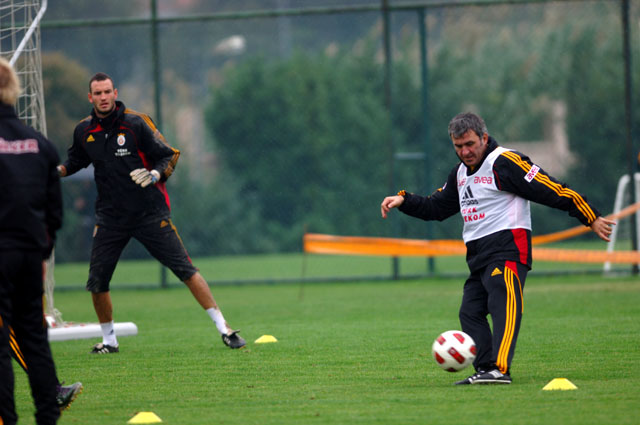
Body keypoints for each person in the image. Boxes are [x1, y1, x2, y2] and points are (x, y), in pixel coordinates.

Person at [380, 112, 614, 385]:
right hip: (478, 256)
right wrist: (404, 200)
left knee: (502, 301)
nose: (465, 152)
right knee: (470, 311)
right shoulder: (459, 174)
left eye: (470, 144)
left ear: (484, 137)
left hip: (508, 249)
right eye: (458, 146)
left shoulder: (505, 162)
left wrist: (590, 216)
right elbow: (437, 207)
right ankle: (486, 369)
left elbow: (552, 189)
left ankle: (500, 369)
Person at [57, 72, 245, 353]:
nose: (103, 97)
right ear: (90, 97)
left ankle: (225, 329)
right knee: (97, 281)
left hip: (149, 214)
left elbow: (170, 154)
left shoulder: (136, 123)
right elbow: (75, 160)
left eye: (107, 92)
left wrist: (155, 174)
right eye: (98, 93)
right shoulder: (84, 130)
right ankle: (109, 341)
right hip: (110, 218)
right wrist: (58, 171)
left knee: (185, 270)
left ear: (115, 93)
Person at [0, 56, 80, 425]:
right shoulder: (40, 144)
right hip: (31, 255)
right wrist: (41, 251)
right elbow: (55, 211)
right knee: (33, 337)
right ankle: (48, 416)